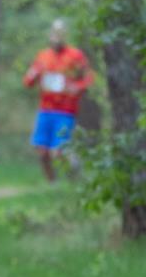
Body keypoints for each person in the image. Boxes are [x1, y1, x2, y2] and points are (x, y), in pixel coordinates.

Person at [22, 19, 95, 183]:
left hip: (65, 110)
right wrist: (33, 73)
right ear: (50, 36)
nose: (56, 38)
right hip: (45, 109)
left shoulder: (75, 55)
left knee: (58, 151)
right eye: (54, 34)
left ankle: (74, 177)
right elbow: (27, 82)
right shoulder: (43, 56)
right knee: (42, 151)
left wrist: (77, 86)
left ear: (65, 36)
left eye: (60, 34)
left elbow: (89, 78)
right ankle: (52, 184)